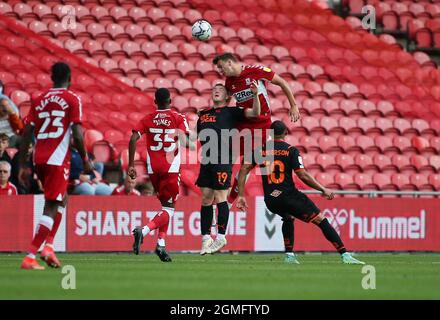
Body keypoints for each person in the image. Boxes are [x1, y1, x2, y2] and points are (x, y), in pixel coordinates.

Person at [236, 121, 365, 265]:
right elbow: (302, 175)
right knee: (321, 220)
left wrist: (241, 195)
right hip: (288, 195)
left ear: (270, 134)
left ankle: (290, 256)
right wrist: (323, 189)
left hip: (271, 199)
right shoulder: (291, 150)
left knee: (288, 217)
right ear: (286, 132)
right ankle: (345, 255)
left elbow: (243, 169)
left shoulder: (261, 150)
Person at [19, 62, 93, 270]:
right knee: (52, 205)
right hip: (58, 159)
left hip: (39, 159)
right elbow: (78, 134)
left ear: (51, 78)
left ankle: (49, 247)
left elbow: (26, 132)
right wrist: (86, 160)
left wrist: (24, 163)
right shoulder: (72, 99)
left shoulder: (38, 99)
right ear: (70, 78)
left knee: (61, 199)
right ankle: (31, 256)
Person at [212, 53, 301, 206]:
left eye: (221, 67)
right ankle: (220, 199)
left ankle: (229, 202)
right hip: (243, 123)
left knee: (247, 164)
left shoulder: (256, 71)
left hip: (262, 125)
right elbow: (225, 103)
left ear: (229, 62)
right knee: (226, 157)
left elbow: (282, 82)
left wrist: (293, 105)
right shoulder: (229, 83)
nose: (220, 70)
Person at [196, 82, 261, 255]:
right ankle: (205, 238)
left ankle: (221, 236)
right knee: (206, 199)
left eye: (221, 90)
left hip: (224, 158)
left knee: (221, 197)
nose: (216, 91)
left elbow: (255, 113)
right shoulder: (203, 115)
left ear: (227, 96)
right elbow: (198, 138)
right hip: (207, 160)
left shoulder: (233, 112)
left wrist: (255, 95)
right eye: (214, 90)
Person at [129, 88, 190, 262]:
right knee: (169, 210)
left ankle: (161, 244)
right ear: (170, 101)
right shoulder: (178, 117)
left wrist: (132, 165)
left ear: (155, 102)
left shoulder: (147, 119)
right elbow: (186, 139)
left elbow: (133, 138)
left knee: (166, 207)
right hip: (170, 168)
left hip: (153, 169)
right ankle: (145, 230)